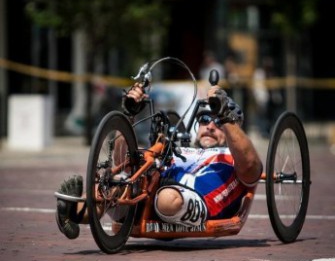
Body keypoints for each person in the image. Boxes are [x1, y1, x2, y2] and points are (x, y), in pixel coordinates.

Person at [55, 81, 263, 238]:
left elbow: (252, 168)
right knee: (112, 185)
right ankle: (72, 213)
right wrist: (128, 115)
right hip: (146, 195)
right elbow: (124, 161)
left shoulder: (232, 156)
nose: (210, 125)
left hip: (187, 202)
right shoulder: (181, 149)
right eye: (205, 119)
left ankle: (77, 208)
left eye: (218, 122)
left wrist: (225, 114)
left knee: (167, 199)